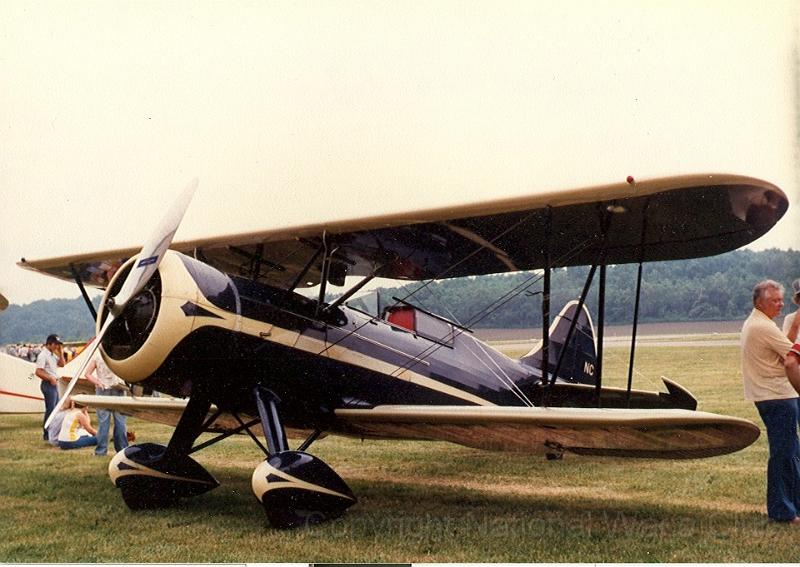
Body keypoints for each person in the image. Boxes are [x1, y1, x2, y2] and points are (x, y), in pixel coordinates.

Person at [741, 280, 800, 523]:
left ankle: (792, 506)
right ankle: (782, 512)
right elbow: (794, 356)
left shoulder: (758, 323)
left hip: (773, 395)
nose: (780, 304)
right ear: (759, 303)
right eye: (774, 300)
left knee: (790, 451)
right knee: (784, 453)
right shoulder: (763, 326)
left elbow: (786, 351)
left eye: (781, 300)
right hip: (777, 395)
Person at [83, 352, 128, 456]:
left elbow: (87, 374)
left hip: (103, 389)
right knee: (120, 422)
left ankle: (101, 451)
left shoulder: (97, 356)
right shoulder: (120, 354)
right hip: (118, 388)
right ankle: (122, 450)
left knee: (103, 423)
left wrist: (98, 382)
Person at [34, 334, 65, 441]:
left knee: (56, 409)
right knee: (51, 409)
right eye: (55, 344)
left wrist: (61, 352)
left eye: (58, 345)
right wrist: (50, 378)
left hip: (53, 384)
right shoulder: (43, 355)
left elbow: (62, 364)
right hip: (48, 384)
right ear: (49, 344)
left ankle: (52, 431)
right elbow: (38, 371)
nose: (57, 346)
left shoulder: (52, 355)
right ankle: (46, 433)